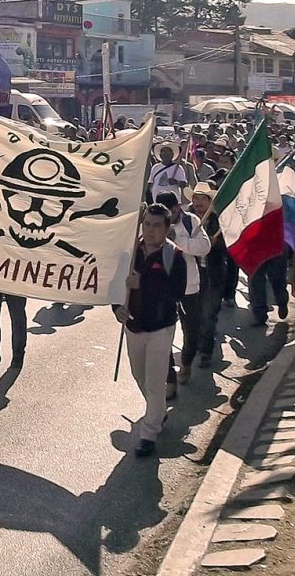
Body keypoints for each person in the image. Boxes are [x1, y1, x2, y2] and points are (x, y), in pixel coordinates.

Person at [112, 203, 187, 458]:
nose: (151, 230)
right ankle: (158, 411)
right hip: (134, 326)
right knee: (138, 375)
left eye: (157, 225)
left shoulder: (174, 256)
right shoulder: (129, 253)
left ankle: (149, 433)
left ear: (166, 228)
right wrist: (117, 308)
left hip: (161, 327)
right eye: (147, 224)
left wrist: (143, 282)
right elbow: (116, 285)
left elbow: (176, 292)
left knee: (155, 382)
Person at [155, 191, 211, 394]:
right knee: (162, 335)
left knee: (192, 330)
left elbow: (204, 247)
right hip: (162, 289)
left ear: (177, 208)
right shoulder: (153, 222)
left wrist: (176, 240)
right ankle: (169, 379)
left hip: (188, 287)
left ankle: (186, 362)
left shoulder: (190, 221)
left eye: (169, 211)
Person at [187, 182, 226, 368]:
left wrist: (214, 243)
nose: (199, 202)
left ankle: (206, 352)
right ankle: (193, 346)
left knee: (209, 314)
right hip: (192, 275)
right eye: (196, 198)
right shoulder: (186, 220)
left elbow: (228, 246)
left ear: (210, 201)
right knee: (192, 316)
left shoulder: (219, 221)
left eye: (203, 198)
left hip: (213, 274)